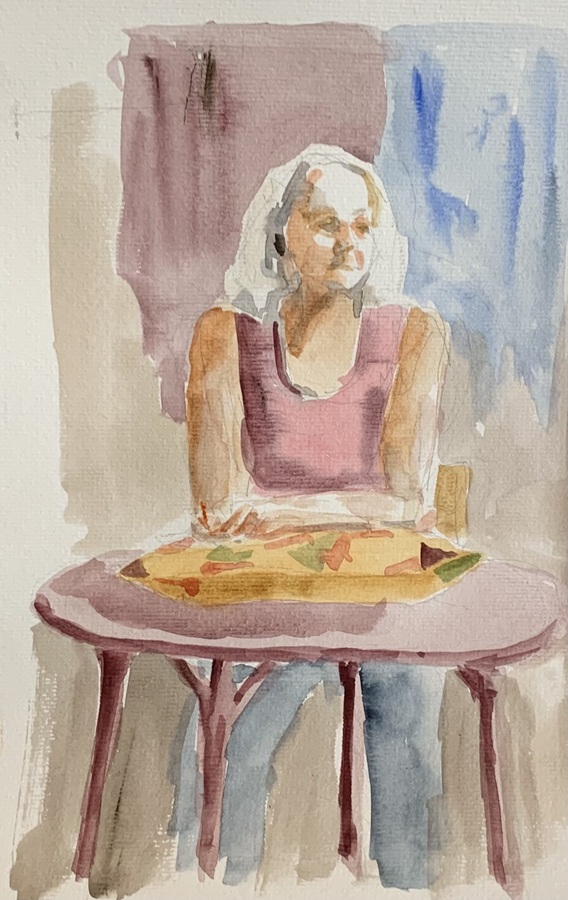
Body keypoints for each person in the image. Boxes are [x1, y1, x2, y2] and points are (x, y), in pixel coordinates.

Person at [175, 145, 450, 888]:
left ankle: (407, 886)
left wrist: (277, 514)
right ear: (281, 232)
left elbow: (406, 502)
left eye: (362, 226)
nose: (348, 243)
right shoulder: (224, 336)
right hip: (267, 593)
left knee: (406, 719)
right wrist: (341, 515)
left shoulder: (414, 335)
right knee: (225, 732)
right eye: (327, 224)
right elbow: (216, 507)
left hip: (376, 592)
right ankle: (208, 885)